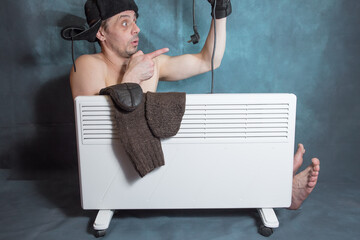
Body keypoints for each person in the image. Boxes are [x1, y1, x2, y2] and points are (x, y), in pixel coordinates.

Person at [62, 0, 319, 210]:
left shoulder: (151, 65)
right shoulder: (87, 65)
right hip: (121, 174)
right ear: (101, 33)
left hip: (158, 163)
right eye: (125, 23)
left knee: (217, 140)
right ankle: (279, 184)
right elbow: (94, 130)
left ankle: (278, 183)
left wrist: (219, 12)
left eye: (135, 21)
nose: (136, 29)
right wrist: (131, 79)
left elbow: (208, 61)